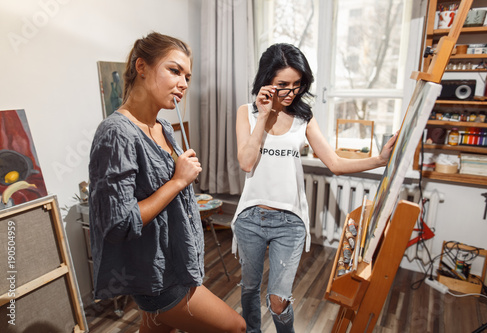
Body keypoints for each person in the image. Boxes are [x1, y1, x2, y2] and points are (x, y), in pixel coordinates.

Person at [232, 43, 398, 333]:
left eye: (297, 84)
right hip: (250, 218)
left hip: (290, 222)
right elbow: (247, 162)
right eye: (282, 84)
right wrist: (262, 115)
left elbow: (334, 162)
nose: (291, 92)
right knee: (248, 289)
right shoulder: (246, 113)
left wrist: (379, 160)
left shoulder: (303, 119)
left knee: (279, 299)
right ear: (265, 81)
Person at [89, 32, 246, 333]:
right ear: (142, 67)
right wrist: (178, 180)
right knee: (236, 327)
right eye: (174, 71)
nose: (184, 83)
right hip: (157, 275)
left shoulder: (162, 125)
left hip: (176, 259)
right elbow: (119, 223)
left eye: (187, 76)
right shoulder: (116, 133)